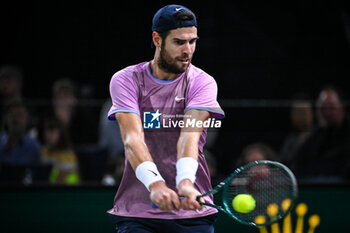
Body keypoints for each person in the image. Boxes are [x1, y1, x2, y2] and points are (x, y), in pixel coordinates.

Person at [107, 5, 224, 233]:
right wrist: (156, 184)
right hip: (138, 213)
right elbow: (133, 139)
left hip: (192, 211)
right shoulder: (125, 80)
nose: (188, 50)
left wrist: (185, 182)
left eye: (193, 41)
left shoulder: (203, 82)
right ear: (157, 39)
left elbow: (189, 136)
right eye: (179, 42)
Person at [295, 86, 350, 182]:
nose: (327, 112)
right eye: (323, 107)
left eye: (331, 107)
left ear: (342, 108)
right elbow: (300, 161)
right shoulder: (316, 134)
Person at [40, 116, 80, 185]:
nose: (48, 135)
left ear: (60, 133)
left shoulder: (68, 155)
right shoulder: (43, 151)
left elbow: (60, 180)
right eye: (46, 130)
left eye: (52, 131)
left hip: (68, 191)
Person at [279, 94, 314, 171]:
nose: (300, 116)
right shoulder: (290, 140)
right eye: (297, 112)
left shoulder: (318, 137)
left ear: (312, 113)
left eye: (303, 112)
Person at [0, 100, 41, 166]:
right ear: (7, 119)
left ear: (27, 120)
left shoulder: (34, 147)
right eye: (12, 115)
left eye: (20, 115)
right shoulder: (1, 142)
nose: (15, 119)